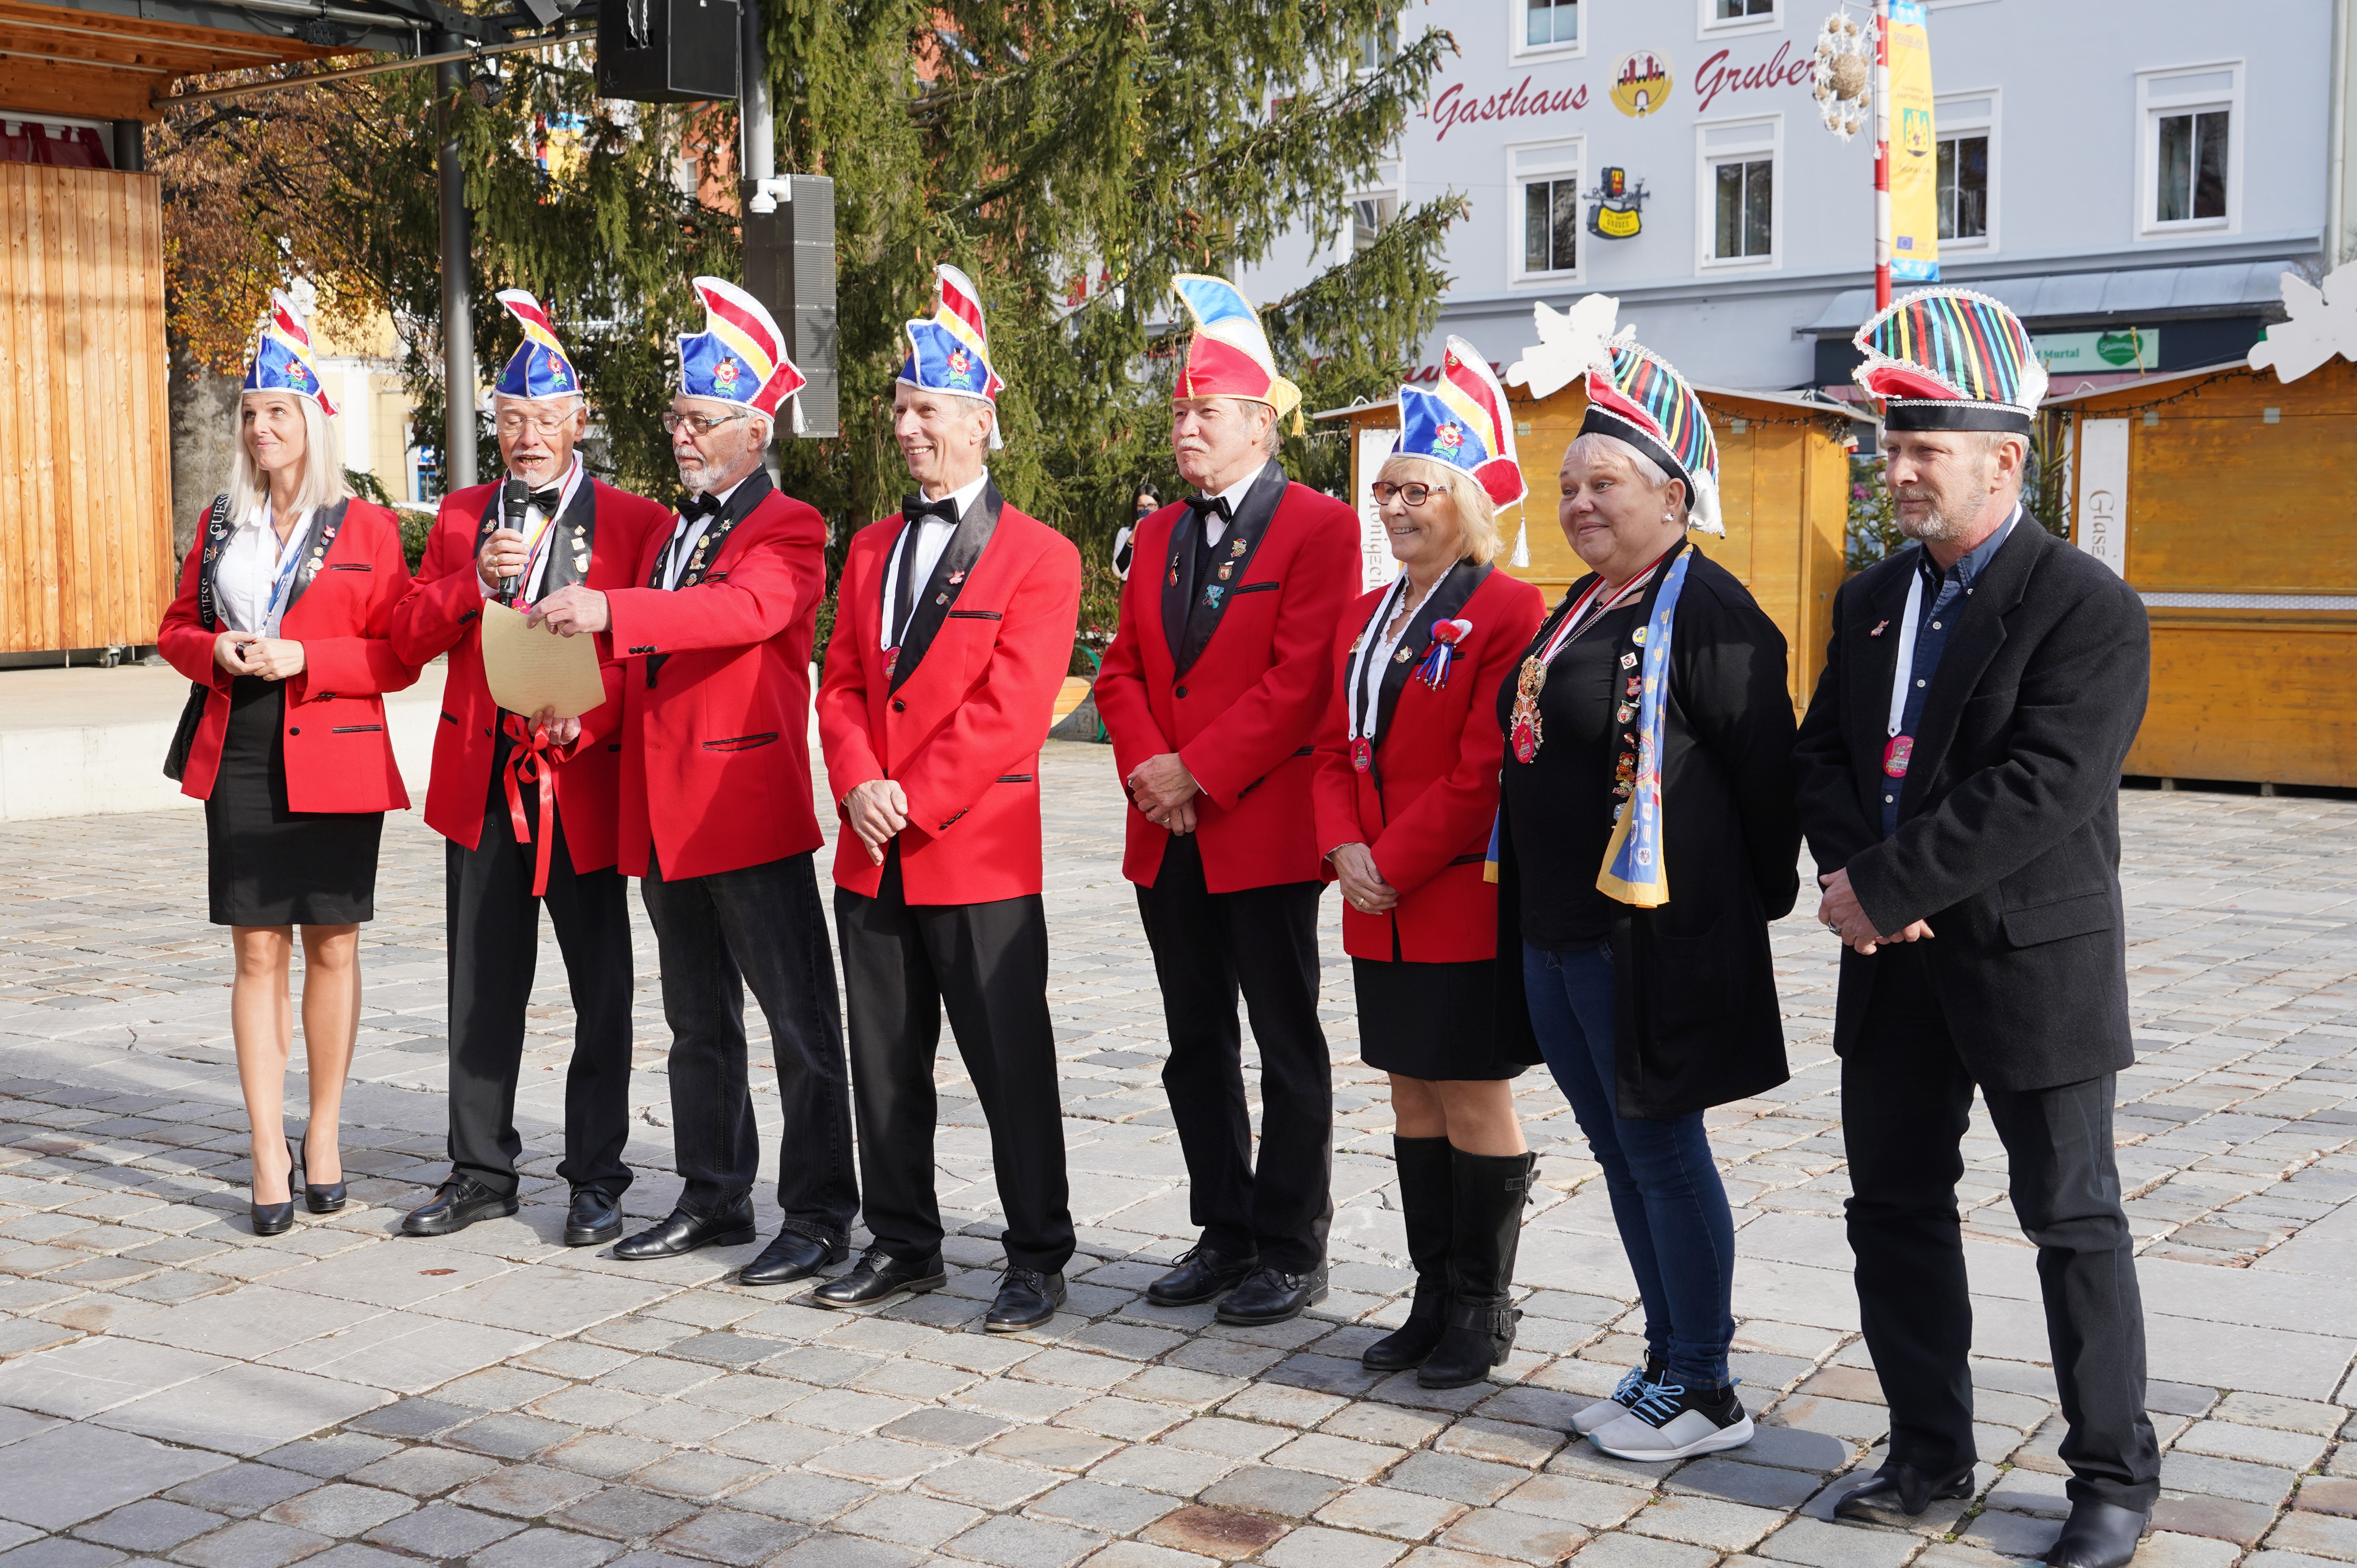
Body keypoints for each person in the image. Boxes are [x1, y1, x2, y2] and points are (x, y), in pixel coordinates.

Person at [1796, 287, 2155, 1568]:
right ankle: (1926, 1453)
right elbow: (1821, 755)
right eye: (1888, 446)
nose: (1895, 470)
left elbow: (2043, 785)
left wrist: (1886, 886)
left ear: (2003, 461)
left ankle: (2110, 1478)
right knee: (1894, 1210)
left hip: (2029, 966)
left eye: (1921, 450)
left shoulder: (2084, 604)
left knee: (2071, 1218)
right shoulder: (1870, 597)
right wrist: (1852, 876)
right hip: (1890, 970)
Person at [1492, 305, 1798, 1460]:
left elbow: (1766, 781)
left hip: (1648, 941)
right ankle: (1666, 1356)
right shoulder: (1583, 602)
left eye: (1604, 484)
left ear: (1672, 496)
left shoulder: (1708, 611)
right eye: (1568, 485)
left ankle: (1708, 1383)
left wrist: (1733, 910)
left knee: (1662, 1151)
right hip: (1557, 932)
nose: (1578, 503)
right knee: (1619, 1151)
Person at [530, 277, 858, 1281]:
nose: (679, 433)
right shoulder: (678, 530)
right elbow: (654, 667)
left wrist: (611, 609)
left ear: (755, 432)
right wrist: (586, 717)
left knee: (798, 1024)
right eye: (676, 415)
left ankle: (818, 1213)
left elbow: (743, 613)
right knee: (696, 1023)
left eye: (700, 419)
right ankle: (714, 1194)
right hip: (666, 811)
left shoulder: (788, 525)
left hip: (743, 807)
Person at [814, 265, 1084, 1330]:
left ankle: (1037, 1253)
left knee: (1009, 1066)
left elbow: (1011, 711)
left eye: (925, 409)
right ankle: (902, 1240)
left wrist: (906, 798)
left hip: (973, 852)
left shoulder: (1040, 556)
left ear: (979, 419)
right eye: (899, 408)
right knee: (882, 1063)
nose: (906, 427)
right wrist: (854, 782)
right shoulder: (869, 546)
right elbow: (839, 681)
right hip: (871, 847)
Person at [1093, 274, 1358, 1325]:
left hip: (1258, 828)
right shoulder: (1159, 532)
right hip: (1167, 831)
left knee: (1285, 1043)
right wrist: (1149, 769)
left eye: (1206, 412)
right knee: (1192, 1041)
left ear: (1260, 423)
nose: (1186, 429)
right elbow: (1120, 668)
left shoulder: (1319, 527)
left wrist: (1194, 770)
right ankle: (1224, 1227)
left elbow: (1301, 680)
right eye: (1178, 413)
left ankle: (1291, 1245)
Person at [390, 291, 672, 1246]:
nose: (527, 439)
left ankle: (596, 1176)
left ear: (577, 421)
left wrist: (588, 724)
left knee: (602, 989)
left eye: (545, 420)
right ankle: (480, 1170)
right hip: (482, 781)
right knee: (480, 985)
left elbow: (646, 655)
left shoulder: (635, 522)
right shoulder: (460, 515)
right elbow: (406, 636)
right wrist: (469, 582)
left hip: (580, 781)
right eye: (511, 420)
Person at [155, 293, 420, 1236]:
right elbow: (174, 627)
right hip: (242, 744)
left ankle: (326, 1132)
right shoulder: (221, 521)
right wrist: (214, 651)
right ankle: (267, 1146)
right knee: (256, 947)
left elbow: (398, 655)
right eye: (250, 412)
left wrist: (310, 655)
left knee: (334, 942)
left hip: (336, 745)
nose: (261, 427)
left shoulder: (368, 528)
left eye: (277, 411)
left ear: (312, 419)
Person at [1310, 341, 1546, 1386]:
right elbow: (1330, 747)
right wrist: (1343, 848)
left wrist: (1391, 859)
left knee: (1471, 1097)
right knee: (1409, 1096)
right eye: (1387, 490)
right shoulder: (1366, 612)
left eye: (1418, 490)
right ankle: (1431, 1290)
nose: (1396, 507)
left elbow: (1482, 768)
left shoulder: (1509, 608)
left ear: (1467, 501)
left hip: (1453, 895)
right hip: (1375, 896)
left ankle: (1482, 1306)